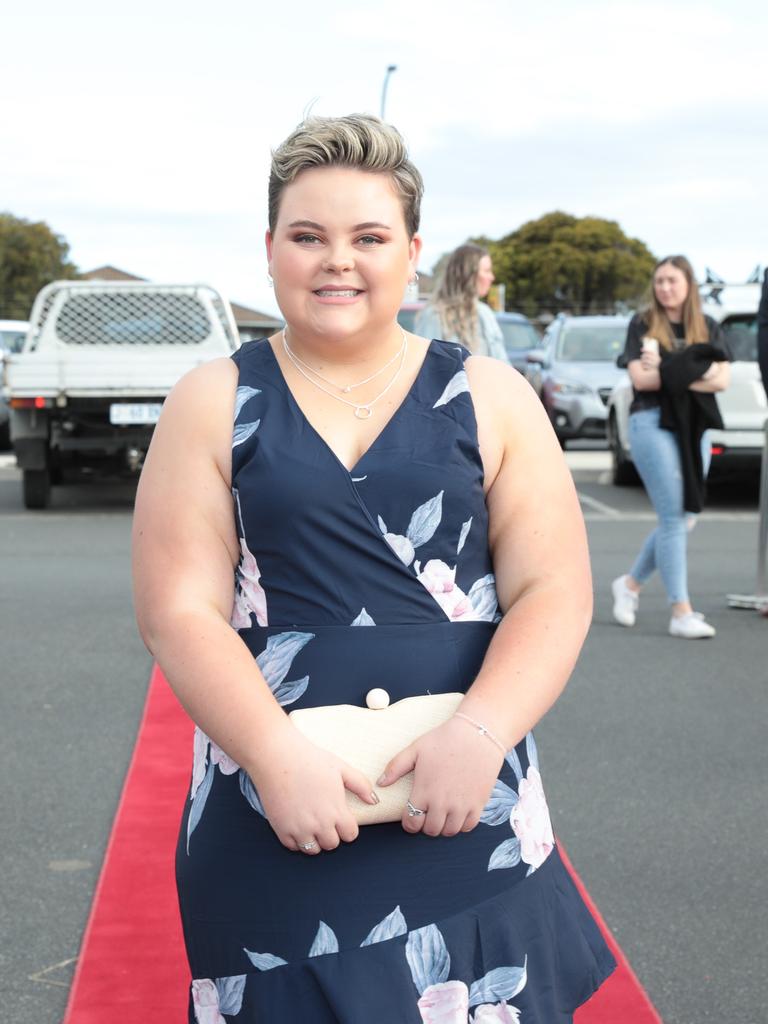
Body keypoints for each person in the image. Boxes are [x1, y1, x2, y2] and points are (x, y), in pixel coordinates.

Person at [132, 113, 614, 1023]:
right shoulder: (212, 400)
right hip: (273, 798)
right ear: (270, 247)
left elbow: (555, 592)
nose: (336, 261)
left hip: (466, 798)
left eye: (368, 237)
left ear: (413, 253)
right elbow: (179, 610)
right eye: (308, 236)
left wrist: (478, 741)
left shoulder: (490, 395)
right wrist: (274, 757)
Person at [612, 255, 731, 640]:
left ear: (688, 284)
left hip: (696, 426)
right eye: (659, 281)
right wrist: (694, 368)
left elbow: (722, 379)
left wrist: (665, 368)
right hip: (651, 422)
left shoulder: (708, 325)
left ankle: (629, 585)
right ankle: (681, 611)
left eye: (672, 281)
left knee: (684, 517)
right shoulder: (643, 322)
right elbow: (640, 381)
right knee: (674, 519)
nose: (664, 287)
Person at [415, 243, 509, 361]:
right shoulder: (434, 315)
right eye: (487, 271)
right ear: (468, 274)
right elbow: (423, 367)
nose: (492, 277)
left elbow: (503, 364)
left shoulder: (485, 313)